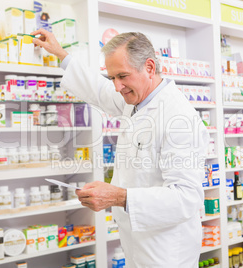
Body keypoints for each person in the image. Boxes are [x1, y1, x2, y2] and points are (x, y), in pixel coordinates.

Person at [32, 29, 209, 267]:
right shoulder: (137, 100)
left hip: (167, 251)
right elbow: (99, 89)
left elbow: (186, 198)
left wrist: (118, 196)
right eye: (112, 77)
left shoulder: (179, 118)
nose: (117, 86)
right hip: (139, 242)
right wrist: (61, 54)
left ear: (149, 67)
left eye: (122, 76)